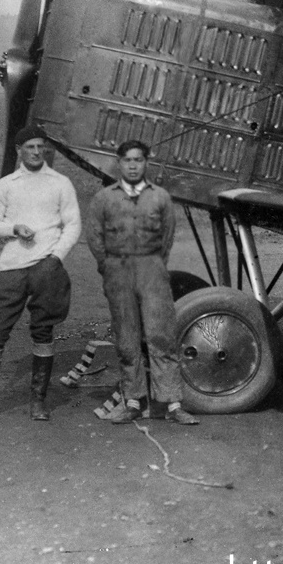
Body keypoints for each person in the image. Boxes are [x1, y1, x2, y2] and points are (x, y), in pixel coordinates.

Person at [0, 125, 81, 422]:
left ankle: (38, 402)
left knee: (43, 331)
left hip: (46, 268)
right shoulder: (7, 184)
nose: (36, 152)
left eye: (41, 147)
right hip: (12, 268)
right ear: (19, 150)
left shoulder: (60, 183)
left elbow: (73, 225)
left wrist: (55, 257)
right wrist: (13, 228)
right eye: (30, 147)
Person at [86, 140, 197, 425]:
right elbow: (95, 238)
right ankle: (133, 401)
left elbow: (167, 237)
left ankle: (172, 404)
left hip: (152, 273)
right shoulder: (104, 199)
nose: (133, 165)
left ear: (146, 162)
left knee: (161, 336)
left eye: (138, 160)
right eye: (127, 160)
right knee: (127, 339)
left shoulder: (160, 197)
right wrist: (109, 267)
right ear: (119, 163)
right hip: (118, 273)